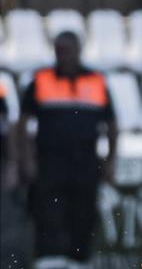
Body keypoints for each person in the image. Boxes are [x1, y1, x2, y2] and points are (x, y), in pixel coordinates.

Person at [14, 30, 118, 268]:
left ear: (78, 51)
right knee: (48, 218)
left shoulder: (96, 81)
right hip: (49, 162)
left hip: (86, 162)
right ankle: (47, 263)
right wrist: (25, 159)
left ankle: (79, 262)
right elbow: (22, 123)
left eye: (68, 50)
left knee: (83, 217)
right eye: (59, 51)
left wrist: (111, 160)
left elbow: (111, 124)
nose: (64, 56)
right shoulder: (41, 79)